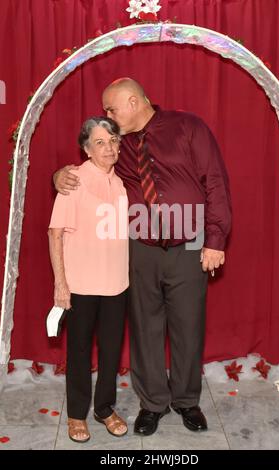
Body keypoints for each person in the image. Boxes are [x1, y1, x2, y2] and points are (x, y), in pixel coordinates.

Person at [53, 78, 232, 436]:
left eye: (111, 108)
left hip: (190, 245)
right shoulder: (118, 147)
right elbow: (88, 170)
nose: (107, 115)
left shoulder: (188, 127)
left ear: (133, 102)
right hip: (139, 250)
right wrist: (59, 175)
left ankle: (187, 401)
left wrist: (216, 238)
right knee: (145, 329)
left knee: (188, 326)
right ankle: (152, 403)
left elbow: (214, 180)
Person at [48, 116, 129, 442]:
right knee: (79, 351)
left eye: (113, 141)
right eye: (100, 142)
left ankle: (104, 408)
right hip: (80, 284)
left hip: (116, 285)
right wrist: (60, 283)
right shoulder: (73, 181)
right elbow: (55, 234)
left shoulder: (121, 183)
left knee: (111, 351)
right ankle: (77, 415)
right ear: (86, 148)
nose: (109, 148)